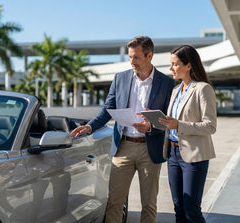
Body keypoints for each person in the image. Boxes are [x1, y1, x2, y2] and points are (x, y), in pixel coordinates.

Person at [70, 36, 175, 223]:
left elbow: (169, 119)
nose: (132, 62)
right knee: (115, 201)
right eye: (130, 57)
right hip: (123, 148)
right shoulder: (120, 78)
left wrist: (151, 126)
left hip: (150, 149)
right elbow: (107, 109)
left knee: (149, 204)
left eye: (136, 57)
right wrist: (90, 126)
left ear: (149, 55)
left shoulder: (166, 83)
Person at [158, 45, 217, 223]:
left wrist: (179, 124)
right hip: (173, 154)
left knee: (191, 209)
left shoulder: (203, 89)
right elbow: (173, 124)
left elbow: (210, 126)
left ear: (189, 66)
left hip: (194, 156)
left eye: (175, 64)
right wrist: (156, 120)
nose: (171, 69)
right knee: (178, 208)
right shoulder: (176, 91)